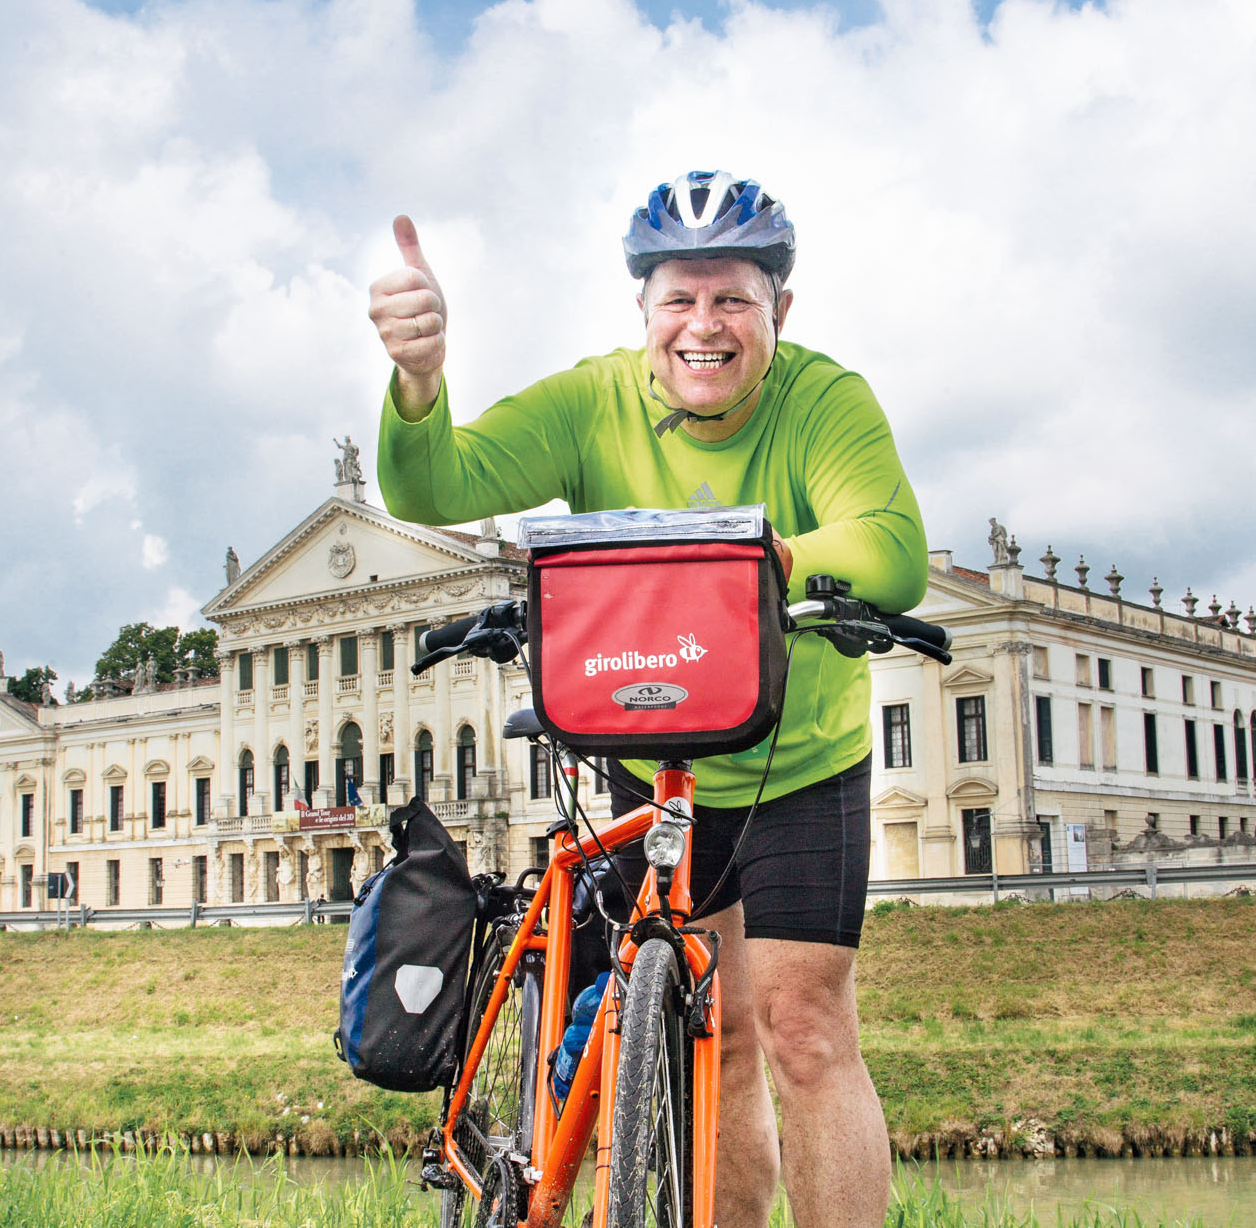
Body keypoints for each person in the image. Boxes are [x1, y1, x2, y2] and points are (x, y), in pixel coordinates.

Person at [369, 170, 927, 1228]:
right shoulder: (591, 400)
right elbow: (430, 488)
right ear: (643, 311)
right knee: (714, 1044)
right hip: (654, 751)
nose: (703, 326)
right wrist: (417, 382)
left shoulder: (822, 399)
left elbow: (891, 549)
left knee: (804, 1025)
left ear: (780, 310)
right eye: (679, 298)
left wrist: (757, 564)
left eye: (732, 299)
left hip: (796, 761)